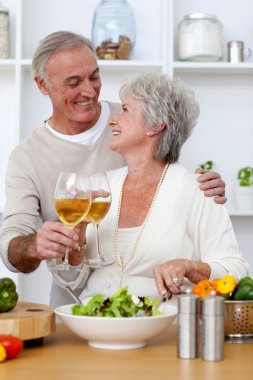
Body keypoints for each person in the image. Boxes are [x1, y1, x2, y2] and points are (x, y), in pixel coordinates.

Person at [0, 31, 227, 307]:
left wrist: (204, 188)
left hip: (152, 308)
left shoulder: (135, 119)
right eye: (73, 82)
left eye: (94, 77)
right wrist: (35, 245)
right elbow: (12, 244)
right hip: (75, 303)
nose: (90, 91)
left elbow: (168, 171)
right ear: (42, 85)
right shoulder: (27, 157)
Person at [58, 70, 249, 306]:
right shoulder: (101, 187)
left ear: (156, 125)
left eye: (125, 110)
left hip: (163, 329)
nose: (111, 120)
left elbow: (236, 270)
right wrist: (76, 239)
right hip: (94, 321)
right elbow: (73, 279)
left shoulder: (197, 191)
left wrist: (188, 267)